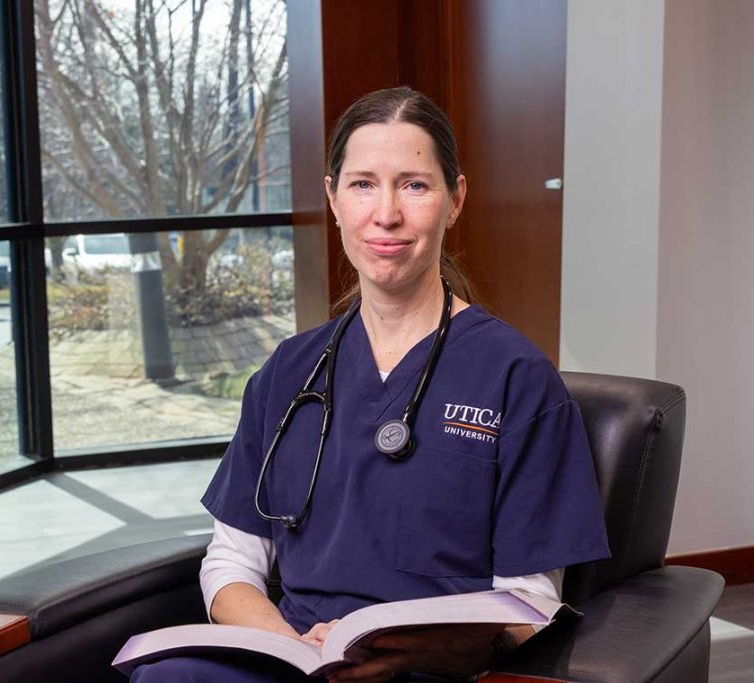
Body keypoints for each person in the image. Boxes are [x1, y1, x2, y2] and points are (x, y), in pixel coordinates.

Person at [131, 87, 610, 682]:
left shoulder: (515, 376)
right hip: (298, 657)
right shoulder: (288, 371)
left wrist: (413, 653)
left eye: (414, 184)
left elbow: (529, 601)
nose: (386, 214)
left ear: (455, 199)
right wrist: (291, 648)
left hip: (432, 672)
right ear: (332, 199)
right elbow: (232, 561)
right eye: (362, 184)